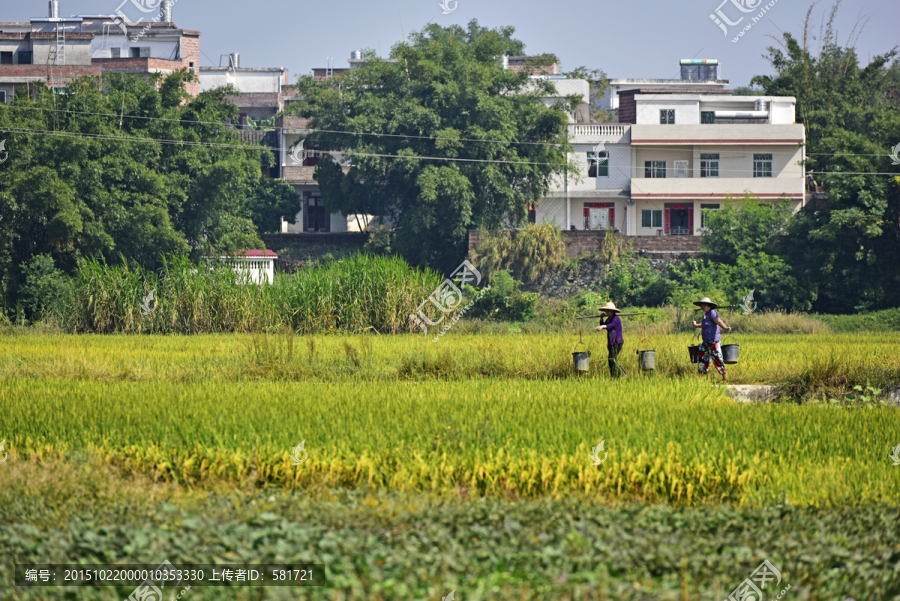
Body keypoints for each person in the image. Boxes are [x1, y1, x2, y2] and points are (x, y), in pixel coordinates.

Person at [691, 297, 732, 380]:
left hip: (714, 341)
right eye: (701, 305)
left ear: (708, 305)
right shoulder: (705, 315)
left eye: (703, 305)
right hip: (706, 341)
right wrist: (696, 325)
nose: (702, 307)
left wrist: (725, 328)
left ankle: (724, 375)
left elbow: (719, 321)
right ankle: (701, 376)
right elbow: (704, 325)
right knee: (701, 356)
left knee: (717, 357)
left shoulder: (712, 313)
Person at [595, 301, 627, 377]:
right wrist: (601, 318)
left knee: (612, 359)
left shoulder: (616, 318)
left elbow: (610, 325)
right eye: (606, 311)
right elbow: (603, 325)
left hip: (617, 342)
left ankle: (623, 374)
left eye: (608, 311)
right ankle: (614, 376)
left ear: (613, 311)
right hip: (611, 342)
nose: (607, 312)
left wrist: (603, 326)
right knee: (611, 360)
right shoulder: (609, 319)